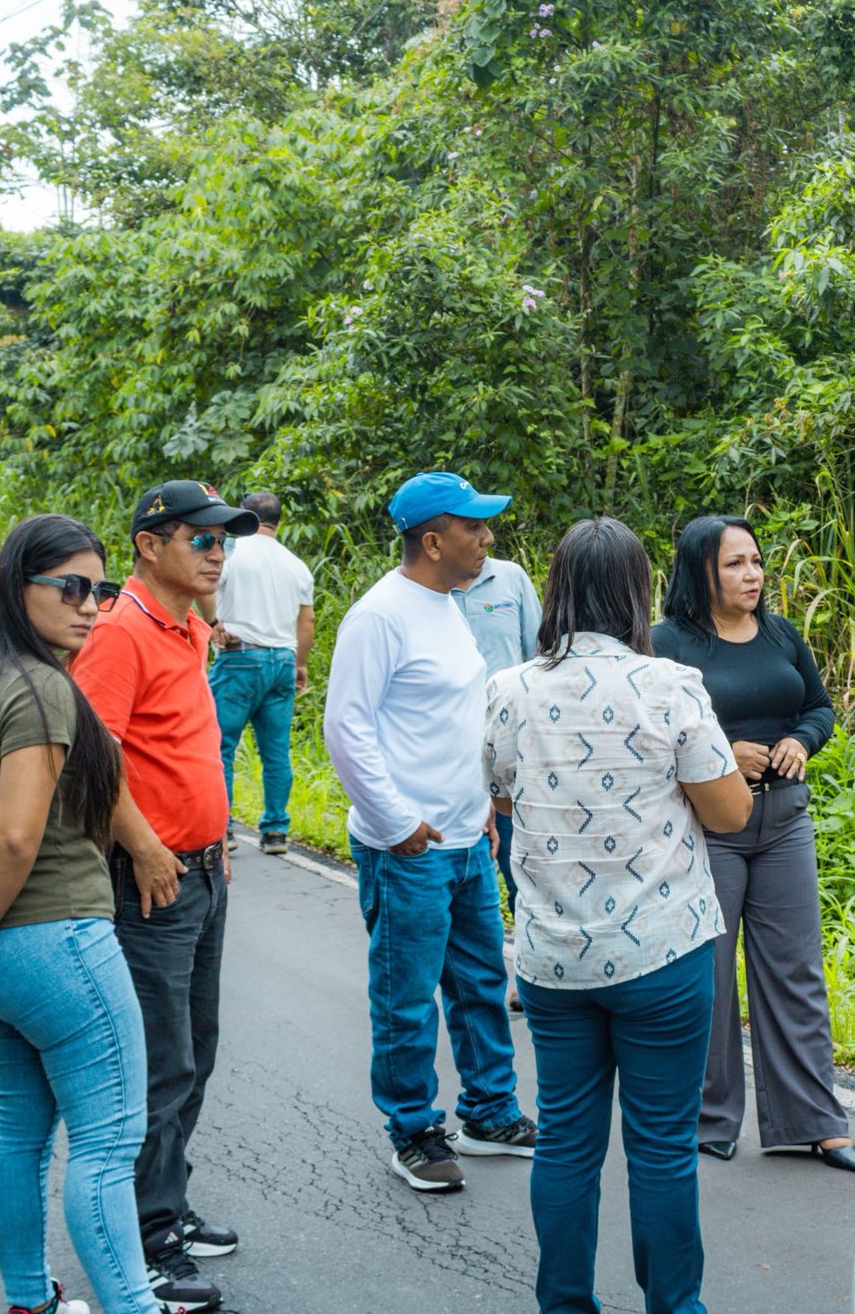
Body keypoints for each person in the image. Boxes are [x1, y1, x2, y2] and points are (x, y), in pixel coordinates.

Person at [484, 517, 751, 1314]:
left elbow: (503, 797)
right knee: (662, 1147)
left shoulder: (510, 689)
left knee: (565, 1142)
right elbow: (731, 812)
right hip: (663, 952)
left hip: (554, 959)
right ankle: (674, 1306)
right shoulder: (669, 685)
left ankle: (565, 1304)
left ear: (557, 590)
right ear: (637, 591)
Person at [0, 514, 155, 1314]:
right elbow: (15, 836)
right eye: (71, 588)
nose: (90, 607)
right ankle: (134, 1306)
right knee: (108, 1144)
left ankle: (29, 1300)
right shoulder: (40, 687)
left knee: (20, 1128)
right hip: (56, 940)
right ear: (19, 587)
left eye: (101, 591)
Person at [71, 480, 259, 1314]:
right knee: (158, 1061)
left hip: (202, 870)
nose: (218, 554)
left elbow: (183, 747)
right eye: (202, 540)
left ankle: (167, 1204)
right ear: (150, 545)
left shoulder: (189, 626)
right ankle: (146, 1241)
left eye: (225, 541)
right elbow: (93, 756)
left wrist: (215, 838)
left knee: (197, 1050)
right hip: (152, 876)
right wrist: (146, 846)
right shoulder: (120, 633)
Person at [323, 471, 538, 1195]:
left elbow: (457, 717)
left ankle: (489, 1113)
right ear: (433, 541)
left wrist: (480, 809)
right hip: (407, 847)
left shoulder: (447, 605)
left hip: (466, 838)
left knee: (480, 983)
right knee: (406, 996)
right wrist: (395, 823)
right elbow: (346, 728)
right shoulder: (379, 616)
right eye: (473, 527)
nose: (487, 538)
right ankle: (413, 1129)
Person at [651, 516, 855, 1173]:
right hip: (711, 827)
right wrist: (721, 752)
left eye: (757, 561)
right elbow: (650, 731)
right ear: (701, 572)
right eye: (735, 564)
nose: (753, 575)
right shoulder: (665, 644)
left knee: (796, 970)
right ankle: (711, 1120)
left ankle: (814, 1121)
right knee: (711, 976)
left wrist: (803, 739)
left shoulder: (780, 634)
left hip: (785, 821)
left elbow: (819, 707)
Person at [451, 545, 543, 1013]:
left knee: (519, 862)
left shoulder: (510, 579)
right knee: (463, 869)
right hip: (451, 753)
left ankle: (527, 971)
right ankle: (470, 982)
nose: (482, 537)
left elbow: (540, 654)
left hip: (510, 748)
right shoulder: (429, 589)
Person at [208, 490, 315, 857]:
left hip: (240, 657)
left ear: (243, 517)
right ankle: (275, 832)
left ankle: (222, 827)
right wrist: (300, 663)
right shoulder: (295, 564)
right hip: (282, 661)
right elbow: (307, 620)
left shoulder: (231, 552)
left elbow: (207, 586)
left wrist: (213, 622)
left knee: (220, 746)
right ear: (279, 523)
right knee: (276, 751)